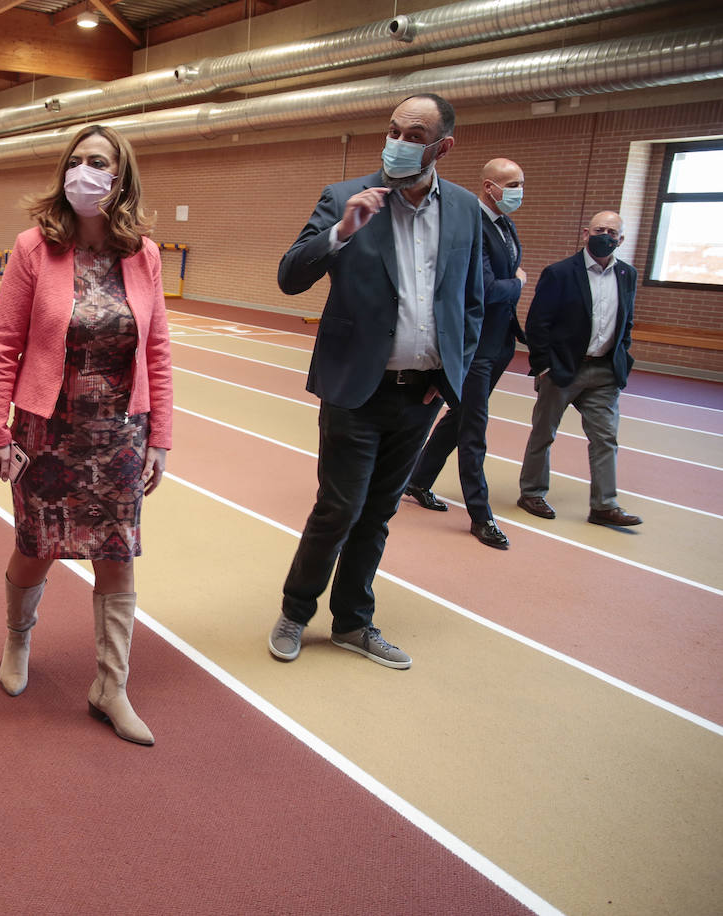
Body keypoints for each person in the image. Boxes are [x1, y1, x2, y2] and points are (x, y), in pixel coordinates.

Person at [271, 93, 483, 669]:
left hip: (419, 396)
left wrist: (449, 370)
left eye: (414, 134)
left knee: (379, 512)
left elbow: (470, 302)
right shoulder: (345, 197)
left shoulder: (464, 210)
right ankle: (295, 612)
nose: (398, 141)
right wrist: (340, 232)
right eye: (393, 129)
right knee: (338, 508)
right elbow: (290, 277)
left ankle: (353, 622)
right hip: (355, 389)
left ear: (443, 146)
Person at [0, 124, 172, 746]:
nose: (86, 171)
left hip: (119, 433)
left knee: (117, 556)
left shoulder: (143, 252)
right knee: (37, 545)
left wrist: (160, 437)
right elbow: (4, 343)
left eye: (101, 163)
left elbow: (159, 351)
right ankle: (16, 641)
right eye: (78, 161)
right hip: (46, 431)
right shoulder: (34, 247)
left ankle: (110, 687)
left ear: (121, 180)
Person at [405, 158, 528, 550]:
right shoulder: (470, 224)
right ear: (489, 186)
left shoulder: (505, 225)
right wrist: (519, 284)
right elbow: (486, 288)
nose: (518, 191)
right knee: (474, 429)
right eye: (512, 184)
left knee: (459, 419)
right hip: (473, 348)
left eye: (521, 183)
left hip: (499, 345)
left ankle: (418, 479)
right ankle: (481, 515)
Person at [517, 210, 641, 528]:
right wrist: (543, 366)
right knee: (544, 434)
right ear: (586, 233)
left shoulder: (627, 275)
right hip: (561, 370)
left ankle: (604, 505)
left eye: (612, 232)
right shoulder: (560, 273)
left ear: (621, 239)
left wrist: (620, 361)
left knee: (606, 438)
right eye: (600, 230)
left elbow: (625, 323)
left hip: (604, 373)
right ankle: (531, 492)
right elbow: (538, 323)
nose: (606, 236)